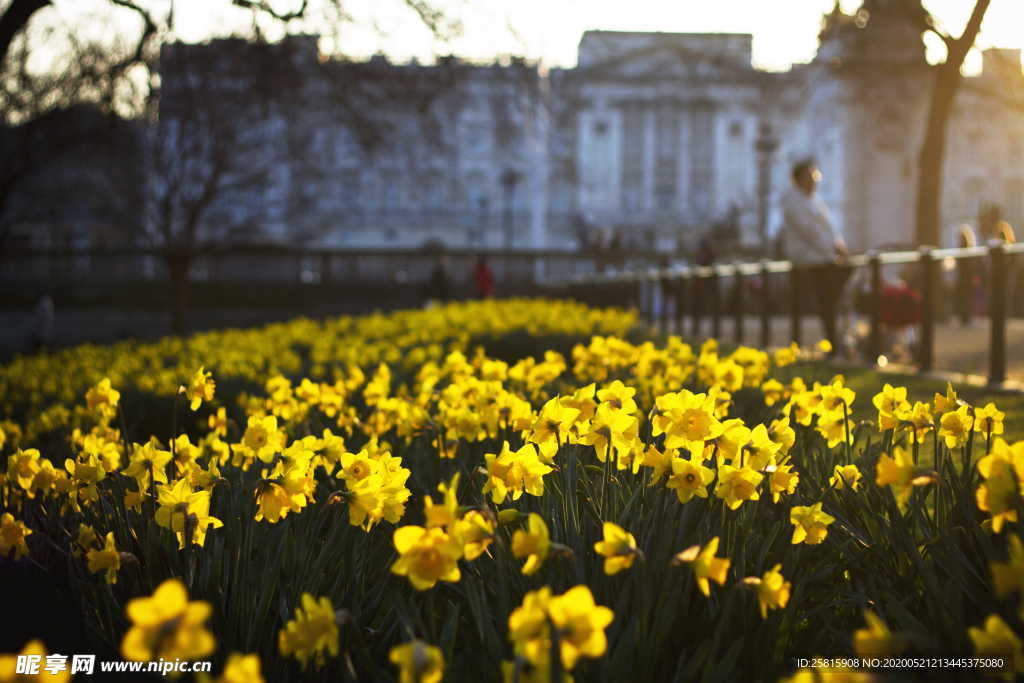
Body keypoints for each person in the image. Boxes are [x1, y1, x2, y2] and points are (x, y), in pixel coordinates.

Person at [780, 158, 850, 351]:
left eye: (816, 175)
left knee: (830, 300)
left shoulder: (814, 199)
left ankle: (835, 339)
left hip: (824, 257)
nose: (815, 180)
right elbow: (810, 231)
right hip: (811, 259)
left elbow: (830, 228)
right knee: (825, 300)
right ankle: (828, 341)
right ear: (799, 178)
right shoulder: (793, 201)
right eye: (811, 176)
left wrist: (839, 245)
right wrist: (833, 248)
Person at [954, 224, 980, 326]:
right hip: (963, 277)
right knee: (964, 297)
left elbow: (970, 266)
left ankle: (965, 317)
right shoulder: (964, 248)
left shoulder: (966, 249)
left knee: (966, 297)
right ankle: (964, 317)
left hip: (965, 276)